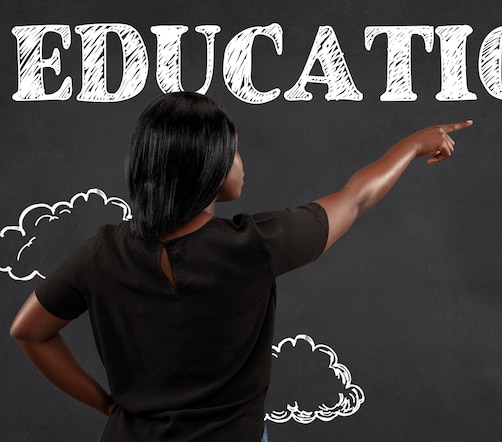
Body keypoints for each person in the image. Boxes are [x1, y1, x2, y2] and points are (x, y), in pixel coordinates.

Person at [10, 91, 472, 441]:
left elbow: (28, 330)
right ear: (208, 166)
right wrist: (410, 146)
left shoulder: (101, 252)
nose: (241, 163)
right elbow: (356, 197)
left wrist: (109, 406)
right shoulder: (254, 246)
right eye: (234, 151)